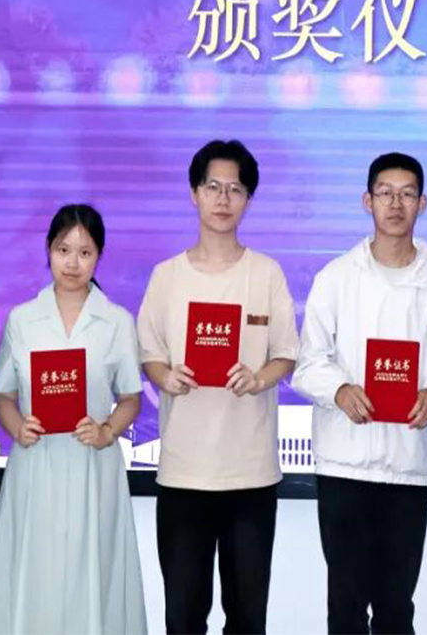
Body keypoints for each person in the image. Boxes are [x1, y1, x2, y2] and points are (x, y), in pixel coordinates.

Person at [287, 152, 427, 635]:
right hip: (344, 464)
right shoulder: (336, 277)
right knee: (345, 606)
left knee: (395, 607)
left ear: (422, 203)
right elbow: (308, 363)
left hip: (408, 466)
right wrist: (340, 389)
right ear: (367, 201)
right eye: (385, 193)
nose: (395, 204)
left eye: (407, 194)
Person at [136, 139, 297, 635]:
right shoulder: (167, 276)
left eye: (235, 189)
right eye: (212, 187)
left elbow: (286, 353)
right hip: (184, 473)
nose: (223, 199)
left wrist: (259, 378)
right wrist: (166, 377)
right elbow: (149, 353)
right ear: (194, 194)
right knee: (184, 618)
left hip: (250, 474)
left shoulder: (265, 273)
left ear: (248, 199)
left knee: (247, 619)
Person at [0, 204, 145, 634]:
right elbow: (3, 395)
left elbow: (131, 398)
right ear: (48, 250)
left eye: (85, 252)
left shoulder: (117, 321)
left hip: (93, 465)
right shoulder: (22, 319)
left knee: (95, 575)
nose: (72, 263)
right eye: (63, 250)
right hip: (37, 464)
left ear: (99, 256)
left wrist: (107, 430)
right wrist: (17, 427)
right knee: (35, 574)